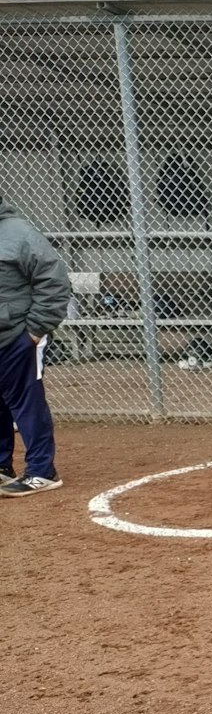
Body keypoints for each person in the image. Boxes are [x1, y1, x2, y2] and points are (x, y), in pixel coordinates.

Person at [0, 195, 69, 496]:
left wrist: (35, 331)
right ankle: (2, 466)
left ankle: (42, 470)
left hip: (16, 335)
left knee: (27, 403)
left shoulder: (18, 233)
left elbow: (54, 282)